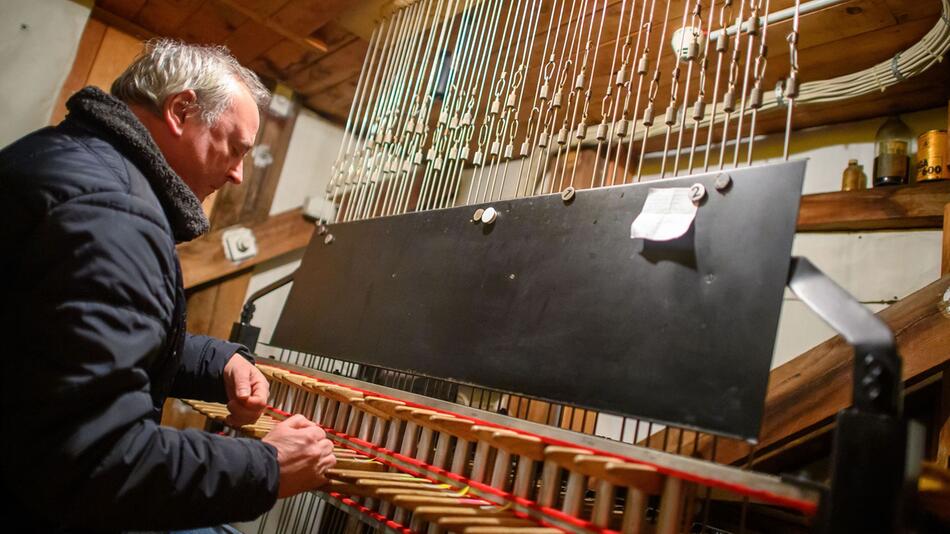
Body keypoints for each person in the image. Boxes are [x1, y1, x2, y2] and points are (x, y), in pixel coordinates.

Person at [0, 39, 335, 531]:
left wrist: (217, 362)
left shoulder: (62, 158)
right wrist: (267, 466)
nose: (239, 174)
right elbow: (96, 458)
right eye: (237, 147)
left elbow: (65, 341)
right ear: (182, 109)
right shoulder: (112, 212)